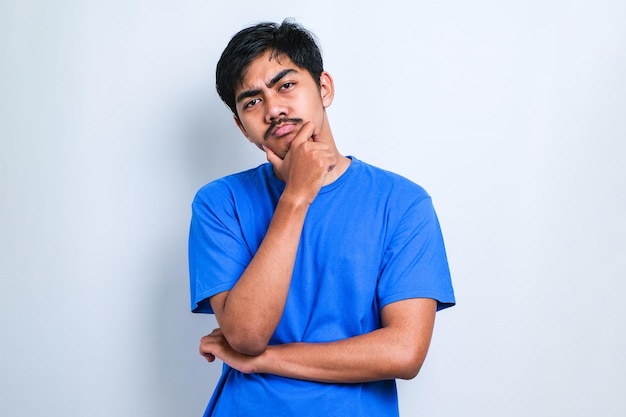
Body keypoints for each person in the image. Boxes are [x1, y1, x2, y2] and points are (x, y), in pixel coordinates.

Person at [188, 19, 455, 417]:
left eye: (286, 85)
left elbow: (404, 352)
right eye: (252, 101)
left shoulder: (402, 203)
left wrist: (265, 360)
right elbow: (245, 334)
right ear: (242, 127)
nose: (274, 108)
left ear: (324, 88)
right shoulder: (218, 203)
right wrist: (296, 196)